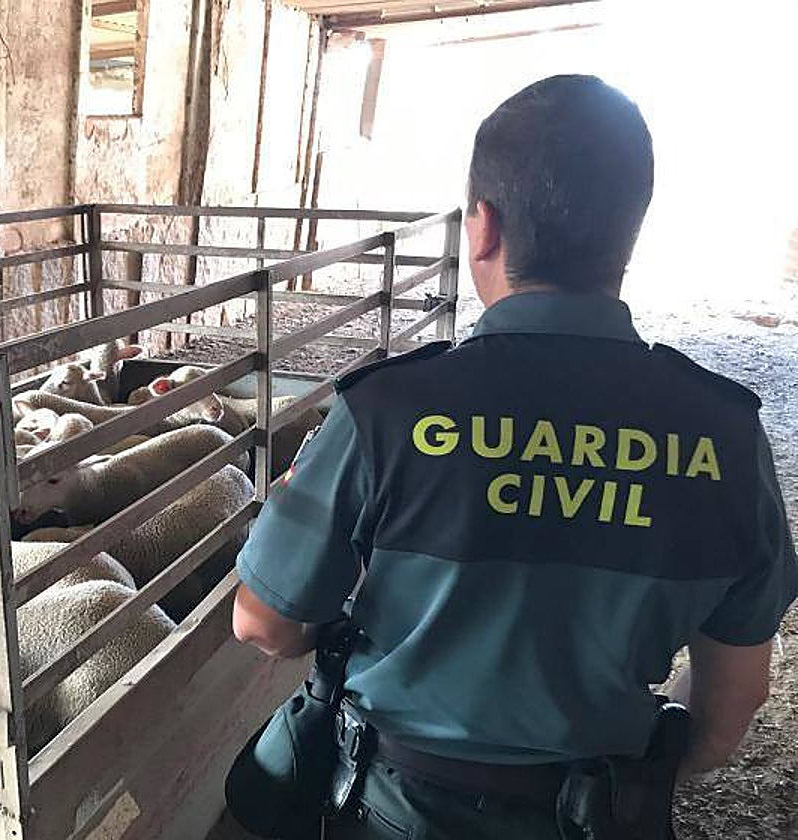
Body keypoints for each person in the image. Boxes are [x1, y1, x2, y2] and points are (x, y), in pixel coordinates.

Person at [232, 74, 797, 839]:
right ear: (629, 232)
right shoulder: (726, 436)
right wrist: (623, 767)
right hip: (591, 813)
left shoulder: (388, 410)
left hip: (392, 808)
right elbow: (730, 711)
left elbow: (264, 623)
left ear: (483, 228)